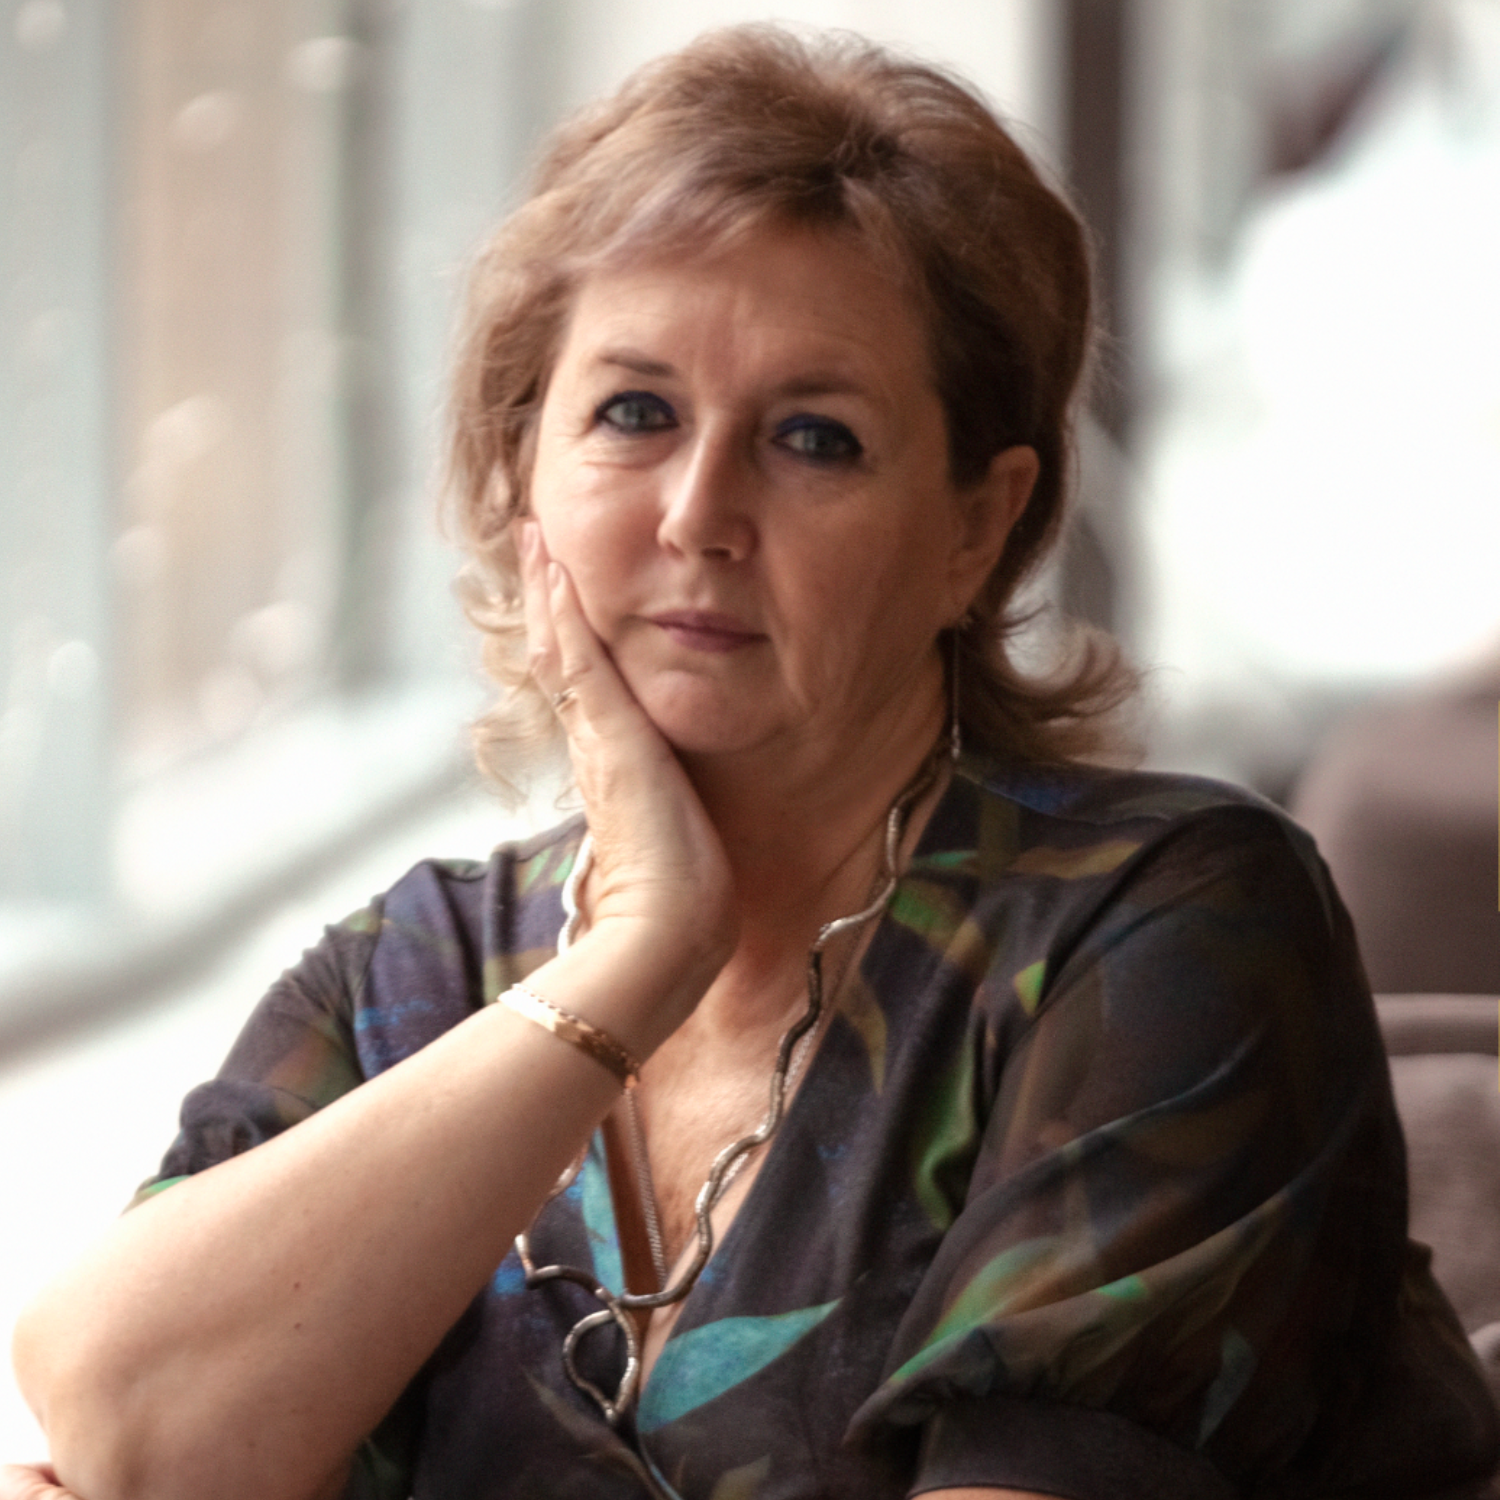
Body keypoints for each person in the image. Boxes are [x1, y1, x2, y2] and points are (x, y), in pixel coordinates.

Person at [7, 25, 1497, 1500]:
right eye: (635, 414)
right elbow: (133, 1431)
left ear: (976, 527)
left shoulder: (1163, 930)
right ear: (523, 473)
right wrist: (639, 958)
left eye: (814, 438)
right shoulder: (410, 981)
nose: (698, 514)